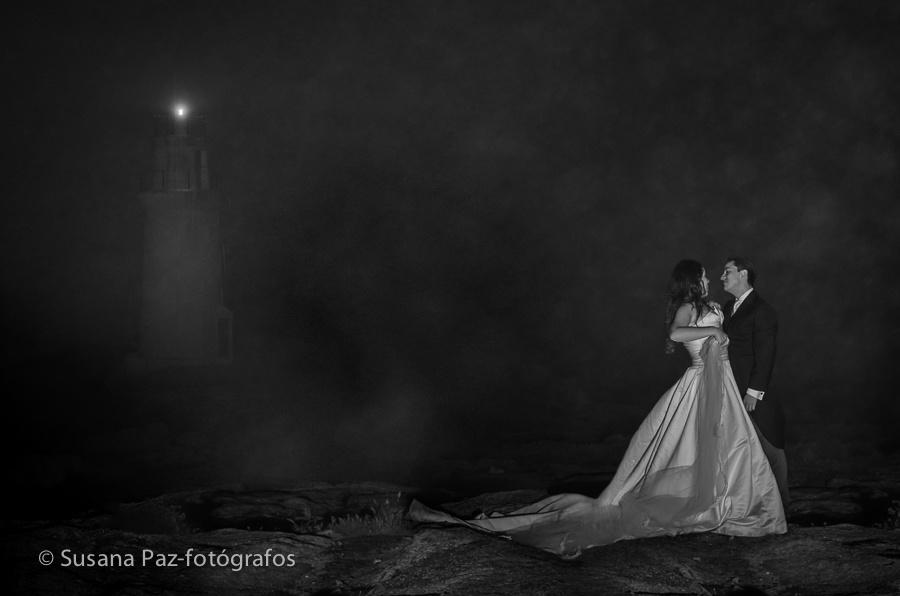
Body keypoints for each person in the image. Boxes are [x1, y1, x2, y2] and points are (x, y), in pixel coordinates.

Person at [408, 259, 786, 558]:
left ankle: (733, 501)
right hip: (698, 383)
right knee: (686, 445)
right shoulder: (688, 307)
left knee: (729, 446)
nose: (710, 279)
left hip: (721, 385)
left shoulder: (712, 305)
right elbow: (674, 334)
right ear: (691, 281)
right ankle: (704, 504)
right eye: (704, 275)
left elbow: (739, 337)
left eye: (714, 274)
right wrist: (712, 332)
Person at [721, 257, 788, 504]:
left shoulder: (763, 310)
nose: (722, 277)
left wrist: (754, 392)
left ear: (743, 274)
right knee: (738, 450)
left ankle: (782, 507)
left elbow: (766, 353)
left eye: (727, 271)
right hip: (728, 388)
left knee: (771, 449)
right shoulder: (728, 308)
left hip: (752, 393)